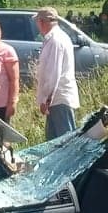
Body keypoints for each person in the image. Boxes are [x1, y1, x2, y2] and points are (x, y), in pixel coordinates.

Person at [34, 7, 79, 138]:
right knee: (53, 142)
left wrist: (46, 100)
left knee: (65, 141)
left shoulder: (56, 40)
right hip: (56, 99)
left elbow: (54, 73)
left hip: (59, 98)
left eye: (37, 22)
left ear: (42, 22)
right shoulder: (54, 38)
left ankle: (71, 159)